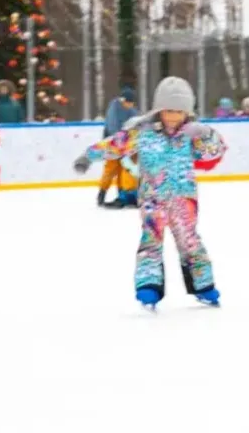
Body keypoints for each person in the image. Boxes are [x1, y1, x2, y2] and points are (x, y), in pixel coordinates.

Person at [72, 77, 227, 310]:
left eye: (180, 111)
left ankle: (204, 286)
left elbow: (214, 151)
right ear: (159, 110)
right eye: (169, 111)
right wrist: (88, 156)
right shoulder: (143, 133)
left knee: (191, 242)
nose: (174, 117)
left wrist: (205, 133)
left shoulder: (190, 134)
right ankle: (148, 287)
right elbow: (114, 145)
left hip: (184, 200)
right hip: (152, 199)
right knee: (151, 241)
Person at [97, 85, 140, 208]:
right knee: (111, 168)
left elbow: (137, 123)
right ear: (123, 100)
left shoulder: (132, 111)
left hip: (126, 146)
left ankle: (124, 195)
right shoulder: (114, 109)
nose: (130, 105)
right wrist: (119, 141)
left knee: (125, 169)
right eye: (129, 102)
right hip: (113, 144)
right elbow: (112, 127)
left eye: (132, 103)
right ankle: (102, 193)